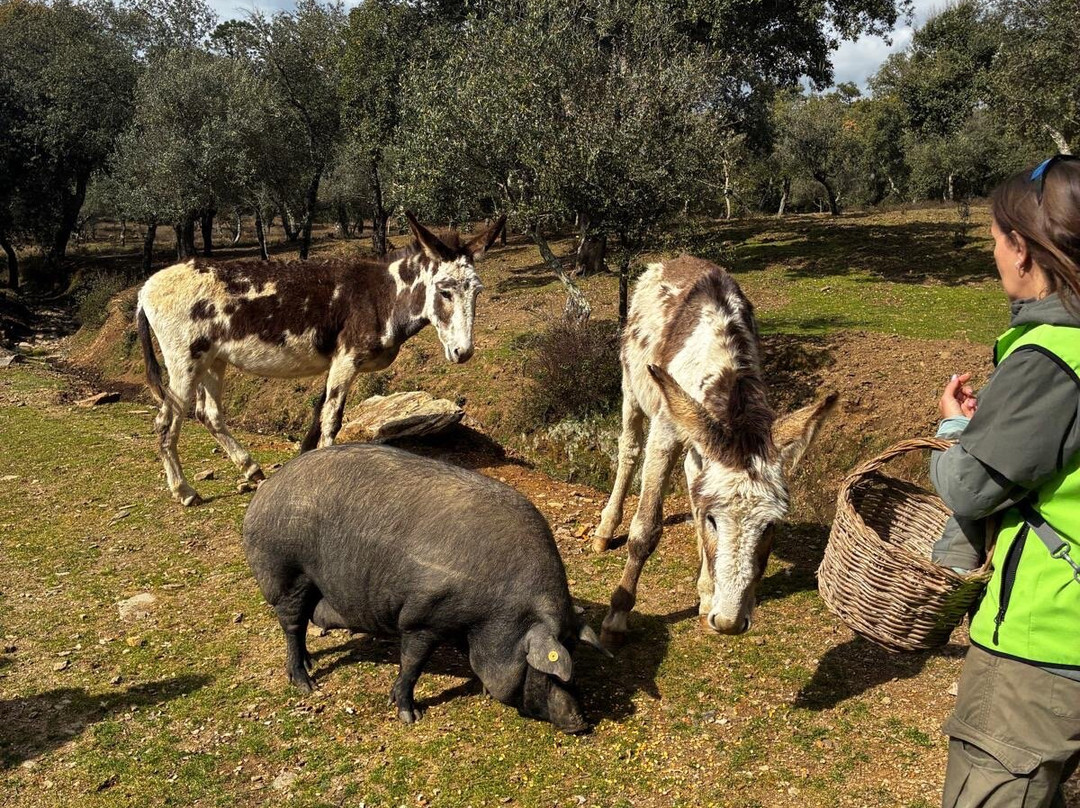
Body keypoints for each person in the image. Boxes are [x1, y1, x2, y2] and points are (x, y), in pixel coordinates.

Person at [929, 155, 1080, 808]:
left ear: (1023, 251)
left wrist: (956, 429)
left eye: (995, 238)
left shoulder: (1050, 355)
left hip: (1042, 646)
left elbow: (968, 487)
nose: (993, 253)